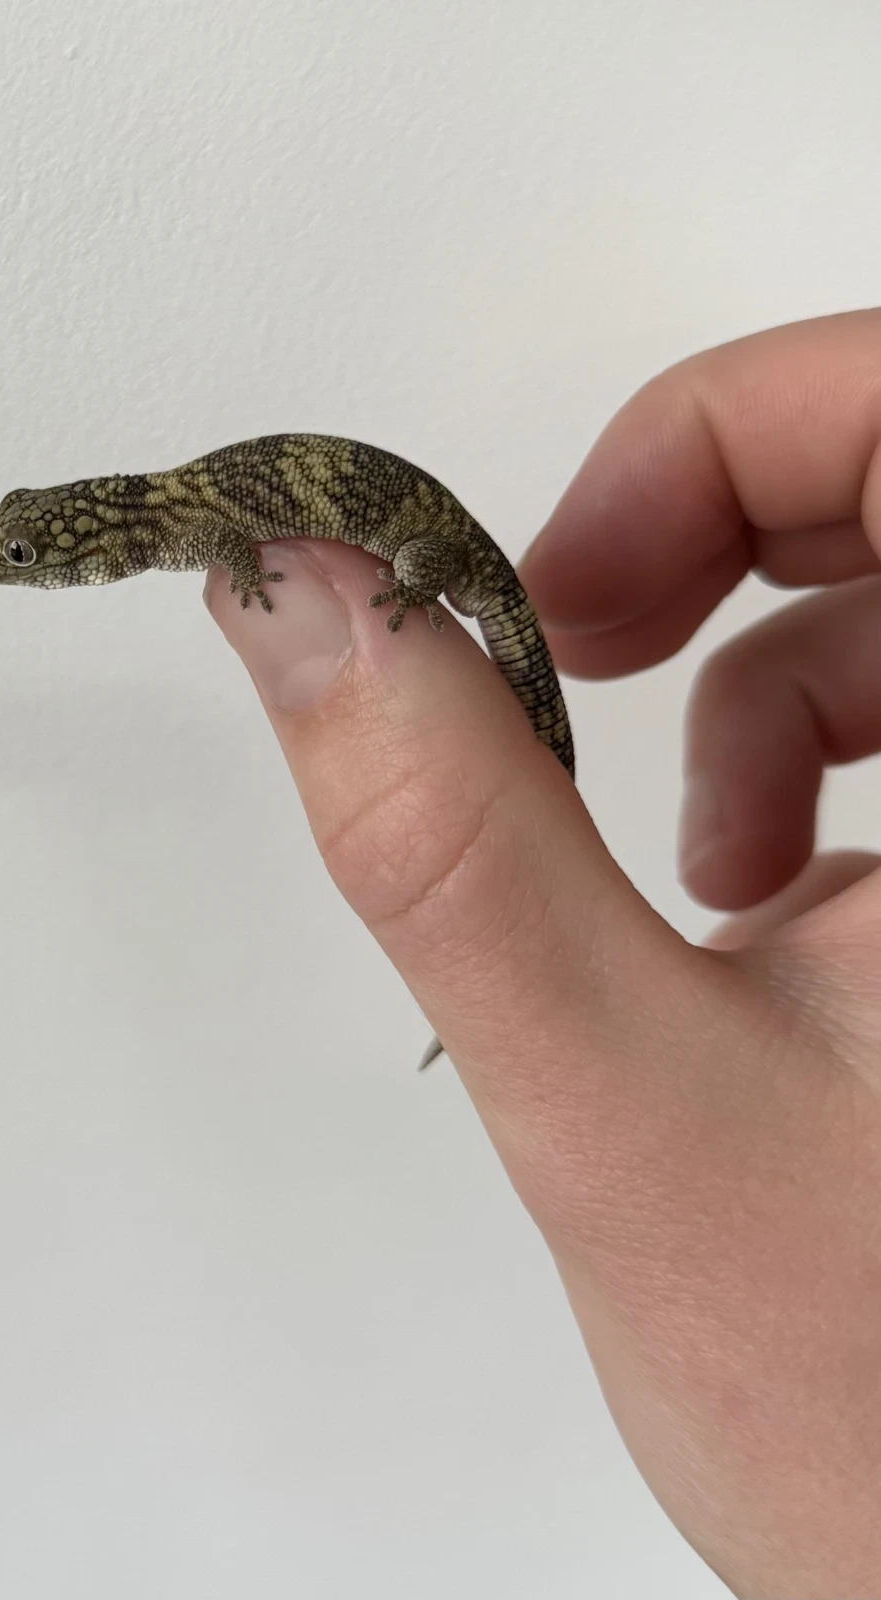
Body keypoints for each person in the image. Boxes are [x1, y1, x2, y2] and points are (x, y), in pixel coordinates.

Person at [204, 309, 881, 1598]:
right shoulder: (198, 519)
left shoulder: (211, 528)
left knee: (513, 695)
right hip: (421, 546)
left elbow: (307, 560)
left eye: (23, 558)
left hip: (440, 552)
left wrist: (411, 589)